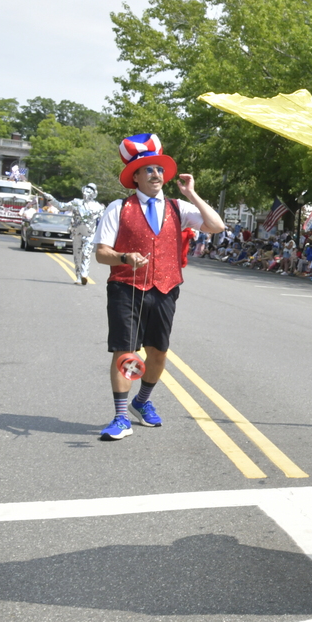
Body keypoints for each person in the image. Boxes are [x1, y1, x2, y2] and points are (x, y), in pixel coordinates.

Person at [91, 134, 225, 441]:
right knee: (126, 352)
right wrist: (125, 257)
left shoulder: (178, 208)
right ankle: (121, 417)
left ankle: (142, 401)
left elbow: (217, 226)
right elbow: (101, 253)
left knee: (159, 353)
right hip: (126, 288)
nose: (155, 174)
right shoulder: (119, 208)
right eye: (148, 169)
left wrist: (191, 193)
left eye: (159, 169)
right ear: (135, 176)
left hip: (165, 289)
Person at [62, 184, 106, 285]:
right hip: (77, 233)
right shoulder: (76, 203)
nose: (86, 194)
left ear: (94, 194)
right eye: (85, 191)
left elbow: (103, 221)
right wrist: (51, 199)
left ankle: (84, 274)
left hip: (90, 234)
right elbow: (61, 206)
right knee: (77, 255)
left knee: (86, 254)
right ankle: (78, 276)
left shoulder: (98, 207)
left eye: (89, 192)